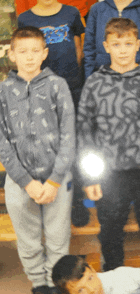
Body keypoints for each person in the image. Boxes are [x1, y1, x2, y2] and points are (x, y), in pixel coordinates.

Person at [77, 17, 140, 272]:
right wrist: (89, 178)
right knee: (110, 231)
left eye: (128, 43)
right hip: (109, 174)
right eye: (116, 44)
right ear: (106, 46)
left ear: (137, 45)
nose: (123, 50)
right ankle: (114, 280)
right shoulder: (95, 83)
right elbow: (85, 134)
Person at [0, 26, 75, 294]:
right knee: (29, 240)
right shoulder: (3, 91)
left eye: (35, 51)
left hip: (57, 178)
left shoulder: (58, 85)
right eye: (22, 51)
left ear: (44, 53)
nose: (29, 57)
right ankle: (39, 285)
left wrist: (54, 181)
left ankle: (57, 284)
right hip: (20, 182)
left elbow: (69, 136)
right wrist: (26, 182)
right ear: (12, 55)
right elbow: (2, 142)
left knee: (57, 239)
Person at [17, 0, 85, 111]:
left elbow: (78, 48)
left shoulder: (72, 12)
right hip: (42, 86)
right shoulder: (24, 19)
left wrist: (75, 76)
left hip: (72, 84)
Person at [84, 0, 140, 79]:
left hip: (138, 77)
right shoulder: (97, 9)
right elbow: (89, 48)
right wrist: (89, 78)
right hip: (103, 77)